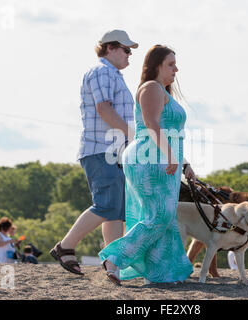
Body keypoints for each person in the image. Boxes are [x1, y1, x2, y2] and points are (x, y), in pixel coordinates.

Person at [98, 44, 197, 285]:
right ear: (156, 66)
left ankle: (161, 274)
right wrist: (171, 156)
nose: (176, 69)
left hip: (162, 157)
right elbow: (152, 124)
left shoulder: (161, 90)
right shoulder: (151, 87)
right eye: (170, 64)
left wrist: (183, 163)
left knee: (162, 216)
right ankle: (113, 257)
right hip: (149, 158)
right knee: (159, 216)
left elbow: (169, 131)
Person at [50, 29, 138, 276]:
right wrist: (134, 136)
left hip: (111, 151)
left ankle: (113, 265)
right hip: (100, 149)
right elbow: (103, 109)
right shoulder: (102, 72)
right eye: (126, 49)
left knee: (115, 211)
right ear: (110, 48)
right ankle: (65, 246)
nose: (130, 55)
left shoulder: (113, 74)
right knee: (107, 204)